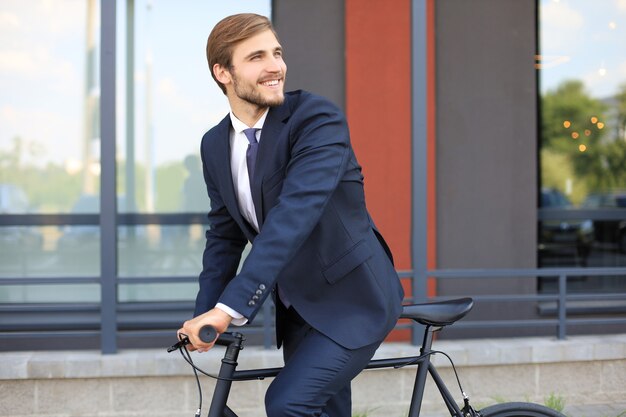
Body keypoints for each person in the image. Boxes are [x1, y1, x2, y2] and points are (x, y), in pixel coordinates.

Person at [178, 13, 404, 417]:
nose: (275, 66)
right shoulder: (215, 145)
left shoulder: (316, 120)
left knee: (287, 403)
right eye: (256, 57)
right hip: (301, 308)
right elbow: (224, 236)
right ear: (223, 72)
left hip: (355, 300)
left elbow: (293, 217)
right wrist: (205, 312)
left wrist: (229, 309)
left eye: (277, 53)